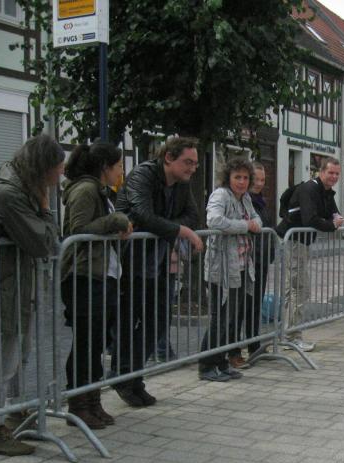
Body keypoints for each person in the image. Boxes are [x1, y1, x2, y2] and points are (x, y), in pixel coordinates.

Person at [112, 136, 204, 407]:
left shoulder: (181, 184)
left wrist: (167, 226)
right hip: (132, 261)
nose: (192, 168)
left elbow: (192, 216)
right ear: (168, 158)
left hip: (160, 262)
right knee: (129, 322)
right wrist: (180, 230)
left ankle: (133, 376)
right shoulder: (143, 175)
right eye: (188, 162)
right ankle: (123, 377)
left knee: (159, 320)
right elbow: (143, 214)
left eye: (195, 163)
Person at [0, 135, 63, 455]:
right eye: (57, 168)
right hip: (4, 285)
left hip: (16, 284)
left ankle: (11, 413)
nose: (60, 175)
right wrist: (46, 209)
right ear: (42, 167)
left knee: (16, 355)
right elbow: (43, 243)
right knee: (2, 359)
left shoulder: (20, 187)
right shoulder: (9, 194)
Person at [60, 141, 133, 429]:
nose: (121, 171)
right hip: (84, 276)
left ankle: (92, 401)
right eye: (118, 166)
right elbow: (77, 230)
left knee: (96, 342)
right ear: (105, 167)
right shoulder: (86, 190)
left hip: (101, 275)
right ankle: (79, 403)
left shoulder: (99, 190)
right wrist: (114, 221)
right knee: (86, 342)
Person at [198, 157, 262, 382]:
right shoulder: (220, 195)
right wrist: (245, 226)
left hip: (241, 266)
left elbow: (257, 219)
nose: (242, 182)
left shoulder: (245, 198)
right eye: (237, 177)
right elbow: (214, 220)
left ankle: (221, 361)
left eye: (245, 178)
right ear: (228, 178)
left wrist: (255, 224)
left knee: (231, 319)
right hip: (221, 268)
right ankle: (206, 364)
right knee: (220, 318)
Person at [280, 157, 344, 352]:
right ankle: (292, 337)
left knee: (295, 289)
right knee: (298, 289)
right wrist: (332, 225)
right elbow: (310, 219)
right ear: (321, 172)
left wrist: (336, 218)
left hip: (301, 243)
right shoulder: (310, 189)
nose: (333, 177)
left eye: (337, 174)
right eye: (330, 172)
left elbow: (334, 212)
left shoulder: (326, 191)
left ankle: (289, 335)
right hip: (294, 241)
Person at [229, 161, 274, 369]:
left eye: (262, 180)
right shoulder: (243, 201)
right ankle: (234, 350)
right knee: (239, 307)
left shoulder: (260, 202)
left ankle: (254, 344)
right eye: (255, 179)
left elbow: (266, 228)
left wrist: (269, 253)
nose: (259, 183)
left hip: (260, 260)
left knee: (255, 305)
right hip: (245, 260)